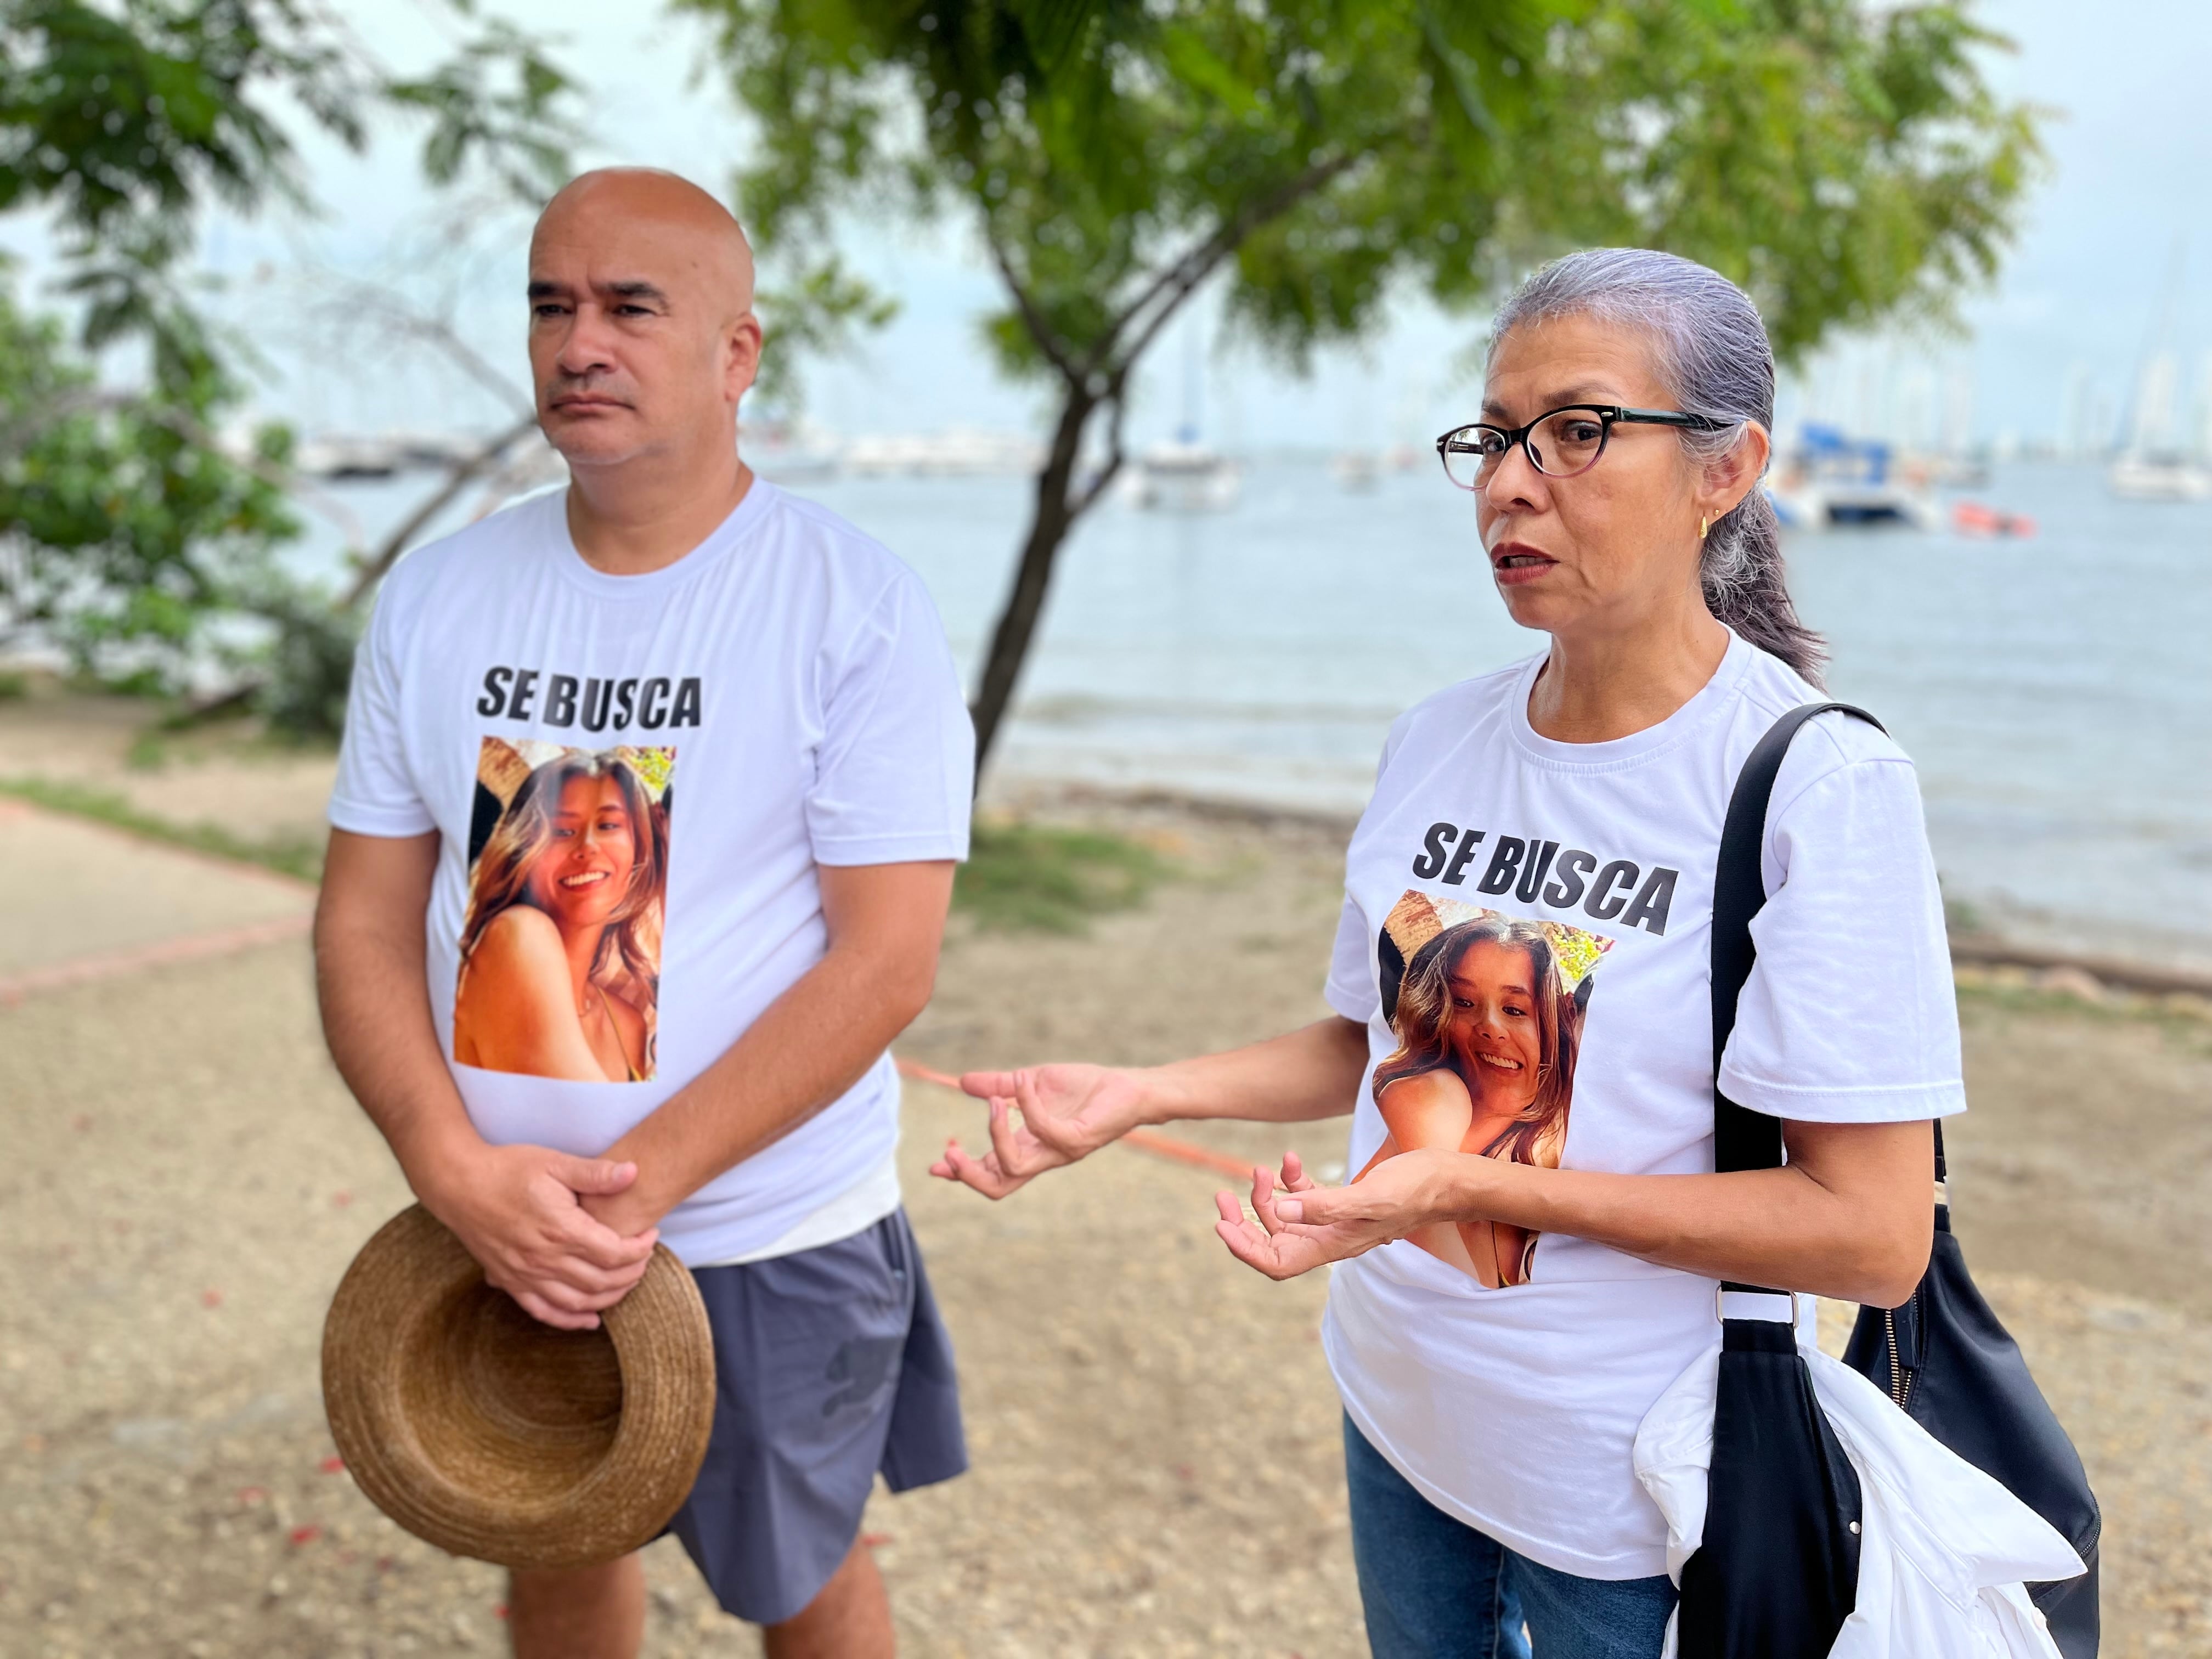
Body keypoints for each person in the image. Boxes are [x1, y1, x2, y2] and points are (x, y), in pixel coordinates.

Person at [931, 247, 1963, 1659]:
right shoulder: (1438, 737)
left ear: (1727, 469)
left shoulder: (1811, 787)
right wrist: (1140, 1092)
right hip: (1401, 1421)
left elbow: (1873, 1235)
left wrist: (1468, 1182)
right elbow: (1371, 1044)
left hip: (1628, 1508)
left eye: (1579, 432)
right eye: (1493, 437)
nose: (1510, 483)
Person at [315, 167, 974, 1659]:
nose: (578, 344)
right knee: (546, 1542)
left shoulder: (849, 604)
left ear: (739, 354)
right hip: (489, 1219)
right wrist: (451, 1165)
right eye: (552, 305)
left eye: (629, 307)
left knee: (796, 1580)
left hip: (762, 1229)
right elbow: (362, 921)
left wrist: (635, 1189)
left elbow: (888, 963)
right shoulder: (436, 599)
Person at [1360, 916, 1584, 1286]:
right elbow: (1454, 1285)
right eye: (1464, 1003)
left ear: (1550, 1022)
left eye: (1514, 1010)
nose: (1491, 1027)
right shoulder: (1434, 1095)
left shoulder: (1558, 1135)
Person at [454, 749, 669, 1083]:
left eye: (609, 825)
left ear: (640, 851)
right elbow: (593, 1124)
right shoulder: (516, 934)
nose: (588, 846)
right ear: (525, 848)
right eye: (563, 831)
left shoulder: (628, 1023)